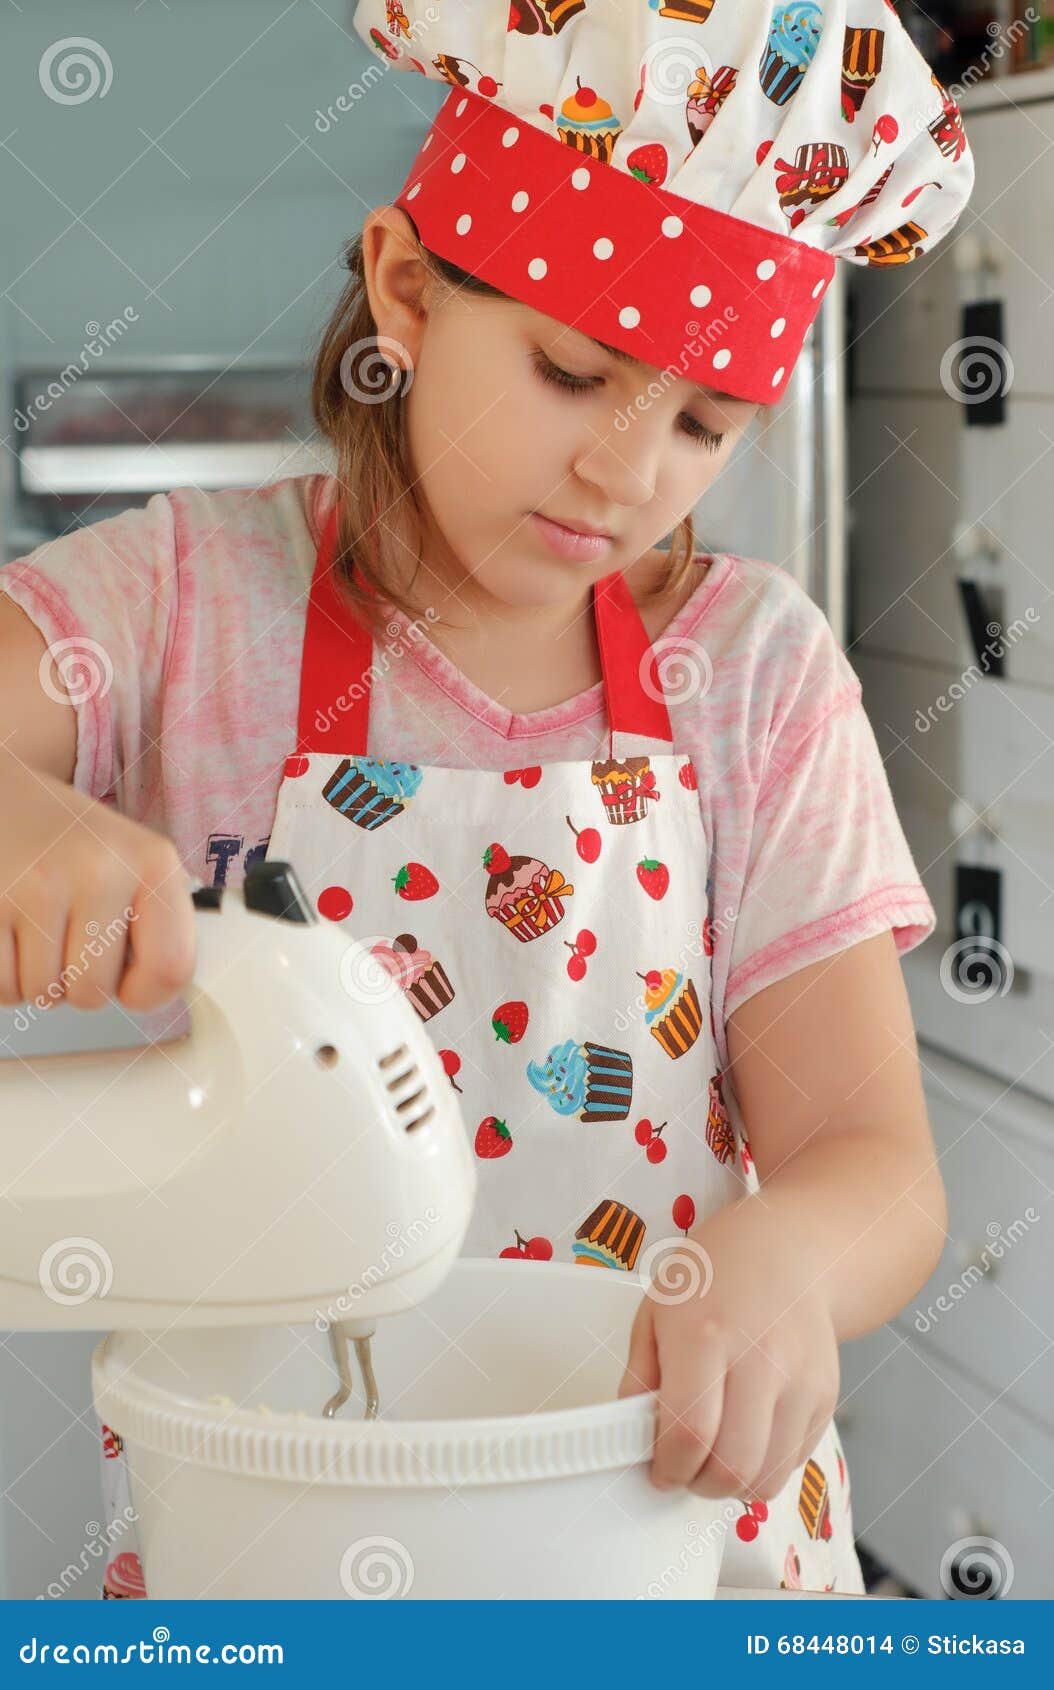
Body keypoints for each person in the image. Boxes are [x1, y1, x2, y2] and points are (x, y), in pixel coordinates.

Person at [0, 0, 973, 1597]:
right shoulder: (185, 598)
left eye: (702, 423)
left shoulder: (754, 672)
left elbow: (875, 1161)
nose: (627, 472)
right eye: (571, 372)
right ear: (404, 288)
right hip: (279, 1530)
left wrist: (788, 1251)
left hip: (658, 1532)